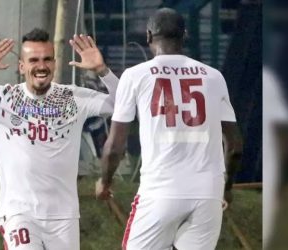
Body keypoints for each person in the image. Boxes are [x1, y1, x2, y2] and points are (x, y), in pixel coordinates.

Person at [0, 28, 119, 250]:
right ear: (22, 66)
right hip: (18, 213)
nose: (41, 66)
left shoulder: (73, 97)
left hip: (64, 217)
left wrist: (103, 71)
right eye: (33, 60)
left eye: (47, 59)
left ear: (54, 63)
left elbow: (122, 105)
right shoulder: (2, 97)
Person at [95, 8, 243, 250]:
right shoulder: (214, 77)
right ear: (184, 35)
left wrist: (105, 181)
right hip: (207, 191)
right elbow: (235, 146)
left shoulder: (135, 76)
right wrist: (226, 190)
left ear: (148, 36)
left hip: (160, 191)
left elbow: (115, 146)